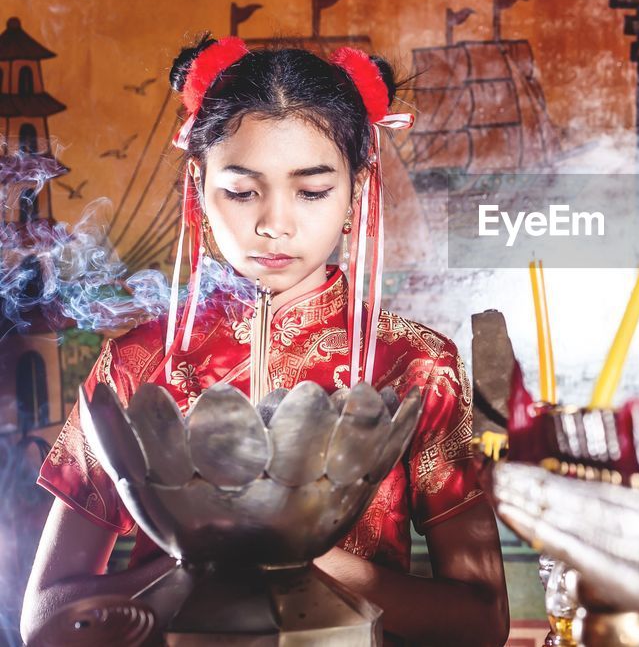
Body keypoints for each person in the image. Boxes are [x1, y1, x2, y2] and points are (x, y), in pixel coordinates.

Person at [20, 35, 510, 646]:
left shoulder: (413, 365)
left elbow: (482, 621)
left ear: (357, 190)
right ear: (197, 184)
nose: (274, 223)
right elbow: (45, 619)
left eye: (312, 190)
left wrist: (296, 555)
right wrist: (196, 568)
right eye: (243, 189)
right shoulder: (139, 363)